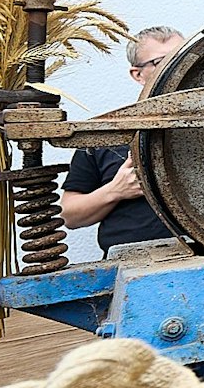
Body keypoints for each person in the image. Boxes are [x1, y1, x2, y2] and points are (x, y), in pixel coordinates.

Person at [61, 26, 184, 254]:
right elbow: (69, 214)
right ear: (137, 74)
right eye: (161, 62)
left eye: (181, 56)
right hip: (129, 263)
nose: (175, 67)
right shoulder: (103, 133)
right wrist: (115, 191)